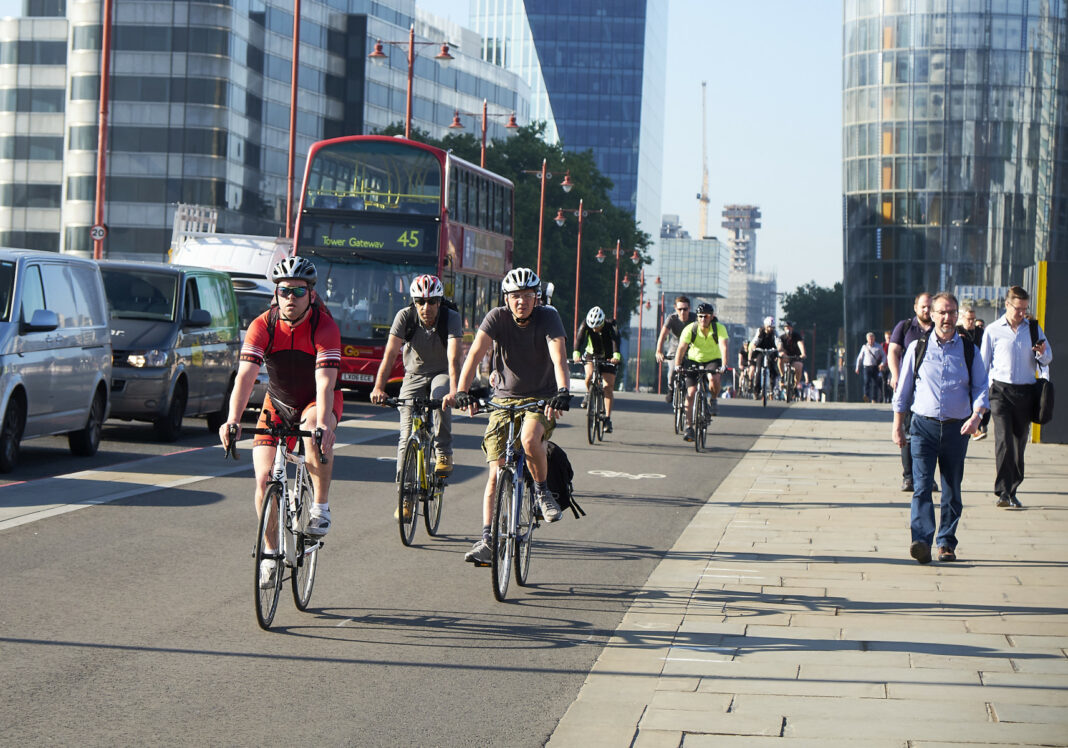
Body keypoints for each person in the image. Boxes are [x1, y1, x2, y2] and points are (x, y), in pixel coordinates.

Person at [218, 256, 342, 587]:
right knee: (262, 480)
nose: (290, 298)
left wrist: (324, 426)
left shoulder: (324, 327)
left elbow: (326, 383)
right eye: (283, 290)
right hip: (278, 402)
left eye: (298, 291)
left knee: (315, 431)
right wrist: (232, 419)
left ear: (311, 295)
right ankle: (271, 556)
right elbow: (245, 377)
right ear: (275, 293)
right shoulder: (263, 324)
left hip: (316, 400)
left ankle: (320, 506)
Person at [445, 267, 571, 565]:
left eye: (528, 296)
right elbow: (475, 354)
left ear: (537, 298)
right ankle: (488, 539)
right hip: (503, 400)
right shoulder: (496, 317)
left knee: (529, 440)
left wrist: (563, 390)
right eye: (515, 296)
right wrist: (462, 390)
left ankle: (541, 493)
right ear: (507, 298)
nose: (521, 302)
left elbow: (559, 356)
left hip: (541, 399)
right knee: (495, 473)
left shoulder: (548, 316)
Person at [892, 292, 988, 564]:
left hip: (958, 429)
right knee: (922, 486)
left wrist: (977, 416)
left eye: (952, 312)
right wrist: (898, 426)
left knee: (951, 488)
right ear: (931, 315)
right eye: (942, 312)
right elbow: (903, 391)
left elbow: (982, 386)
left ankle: (945, 543)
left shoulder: (969, 349)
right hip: (923, 427)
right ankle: (921, 540)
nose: (948, 317)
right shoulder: (918, 348)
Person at [370, 274, 461, 508]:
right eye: (420, 302)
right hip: (414, 375)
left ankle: (443, 451)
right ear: (414, 302)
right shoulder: (405, 316)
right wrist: (379, 387)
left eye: (432, 302)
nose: (426, 307)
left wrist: (456, 390)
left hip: (442, 372)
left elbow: (454, 357)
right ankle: (405, 495)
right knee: (406, 434)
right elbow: (390, 354)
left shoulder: (451, 318)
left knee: (440, 397)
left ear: (440, 302)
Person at [980, 286, 1053, 510]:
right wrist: (980, 399)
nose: (1021, 313)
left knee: (1019, 443)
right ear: (1007, 305)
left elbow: (1048, 357)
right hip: (1000, 392)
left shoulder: (1033, 328)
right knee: (1004, 441)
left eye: (1024, 309)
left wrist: (1040, 352)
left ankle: (1013, 489)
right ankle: (1002, 491)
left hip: (1026, 392)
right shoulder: (993, 330)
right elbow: (983, 365)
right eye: (1017, 308)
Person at [888, 292, 934, 492]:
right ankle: (909, 477)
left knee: (930, 437)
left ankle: (927, 476)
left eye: (929, 307)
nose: (927, 310)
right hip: (910, 388)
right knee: (909, 432)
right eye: (923, 306)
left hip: (931, 391)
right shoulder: (905, 327)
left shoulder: (940, 329)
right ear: (916, 307)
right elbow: (893, 352)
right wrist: (896, 375)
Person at [673, 302, 729, 441]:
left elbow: (723, 346)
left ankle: (714, 399)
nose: (703, 319)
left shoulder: (719, 328)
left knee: (713, 379)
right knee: (691, 393)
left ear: (712, 317)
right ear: (697, 317)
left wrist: (724, 364)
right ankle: (689, 427)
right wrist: (678, 365)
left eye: (706, 316)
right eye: (700, 316)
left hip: (712, 359)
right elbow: (681, 348)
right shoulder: (690, 329)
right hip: (694, 360)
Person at [572, 305, 622, 433]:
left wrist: (616, 356)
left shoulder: (610, 326)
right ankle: (589, 393)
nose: (594, 329)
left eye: (597, 326)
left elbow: (616, 342)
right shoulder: (586, 325)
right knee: (589, 375)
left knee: (608, 387)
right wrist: (576, 353)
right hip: (591, 354)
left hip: (608, 357)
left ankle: (607, 419)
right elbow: (579, 339)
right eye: (592, 326)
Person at [957, 307, 989, 440]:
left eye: (973, 319)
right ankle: (974, 428)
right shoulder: (957, 331)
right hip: (963, 370)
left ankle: (980, 425)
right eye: (969, 319)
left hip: (979, 368)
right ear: (962, 318)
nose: (971, 322)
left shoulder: (981, 332)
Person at [655, 295, 693, 404]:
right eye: (679, 309)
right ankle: (671, 389)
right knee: (672, 371)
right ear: (675, 308)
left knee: (692, 372)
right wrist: (659, 351)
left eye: (685, 309)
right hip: (675, 347)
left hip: (691, 348)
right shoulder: (672, 318)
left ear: (689, 309)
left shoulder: (694, 318)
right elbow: (662, 335)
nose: (682, 312)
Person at [749, 316, 779, 398]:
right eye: (769, 327)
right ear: (765, 326)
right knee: (758, 370)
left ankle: (772, 389)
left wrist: (779, 348)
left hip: (770, 350)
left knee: (773, 369)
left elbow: (778, 341)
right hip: (760, 350)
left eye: (772, 327)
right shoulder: (760, 331)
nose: (771, 329)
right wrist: (754, 346)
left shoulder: (774, 332)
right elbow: (756, 339)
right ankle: (757, 390)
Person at [777, 320, 807, 399]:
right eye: (786, 328)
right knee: (780, 358)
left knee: (799, 367)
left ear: (792, 328)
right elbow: (780, 347)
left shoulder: (796, 336)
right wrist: (779, 352)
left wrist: (803, 353)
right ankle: (782, 376)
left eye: (789, 327)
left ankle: (795, 386)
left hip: (796, 357)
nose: (788, 329)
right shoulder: (782, 337)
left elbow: (800, 344)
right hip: (786, 357)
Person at [855, 331, 887, 403]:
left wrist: (882, 364)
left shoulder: (878, 346)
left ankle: (874, 399)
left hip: (875, 367)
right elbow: (860, 357)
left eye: (872, 338)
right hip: (866, 366)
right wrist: (857, 367)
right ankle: (866, 396)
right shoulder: (864, 347)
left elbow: (884, 356)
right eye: (869, 339)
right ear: (867, 339)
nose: (871, 340)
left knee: (875, 383)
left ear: (874, 338)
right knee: (867, 382)